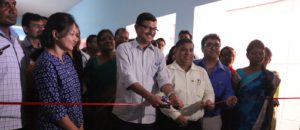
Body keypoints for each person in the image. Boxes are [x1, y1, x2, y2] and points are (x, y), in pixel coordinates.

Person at [113, 12, 183, 130]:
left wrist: (172, 95)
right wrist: (150, 97)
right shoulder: (124, 49)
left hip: (148, 117)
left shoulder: (158, 54)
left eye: (154, 29)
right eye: (147, 27)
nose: (151, 32)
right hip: (125, 116)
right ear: (136, 28)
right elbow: (128, 78)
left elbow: (164, 79)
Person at [33, 12, 83, 130]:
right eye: (72, 34)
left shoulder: (67, 59)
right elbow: (55, 108)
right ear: (55, 34)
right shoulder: (45, 63)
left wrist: (80, 125)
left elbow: (77, 96)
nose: (76, 39)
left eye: (77, 35)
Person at [157, 38, 215, 130]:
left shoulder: (201, 71)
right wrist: (176, 116)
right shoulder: (166, 71)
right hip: (171, 123)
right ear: (176, 51)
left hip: (196, 125)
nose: (188, 53)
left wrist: (208, 101)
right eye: (184, 49)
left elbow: (209, 92)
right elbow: (161, 97)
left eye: (191, 50)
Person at [194, 33, 237, 130]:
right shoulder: (193, 65)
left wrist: (229, 100)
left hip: (213, 118)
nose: (213, 48)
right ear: (202, 49)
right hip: (191, 115)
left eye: (216, 45)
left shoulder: (226, 72)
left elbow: (228, 92)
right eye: (209, 45)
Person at [231, 40, 277, 130]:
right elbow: (232, 96)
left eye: (261, 53)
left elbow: (270, 102)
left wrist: (269, 124)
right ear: (247, 55)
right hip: (239, 119)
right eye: (254, 53)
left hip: (260, 120)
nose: (258, 56)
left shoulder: (270, 76)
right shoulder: (239, 73)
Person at [85, 29, 117, 130]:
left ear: (114, 41)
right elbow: (86, 84)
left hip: (117, 106)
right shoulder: (92, 62)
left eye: (110, 38)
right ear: (98, 44)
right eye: (103, 39)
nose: (108, 41)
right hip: (97, 107)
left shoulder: (121, 60)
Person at [0, 0, 24, 129]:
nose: (13, 10)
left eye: (14, 4)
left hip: (20, 120)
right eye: (5, 4)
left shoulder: (15, 39)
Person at [263, 47, 281, 130]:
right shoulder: (245, 74)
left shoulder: (273, 76)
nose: (262, 60)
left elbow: (274, 95)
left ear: (269, 60)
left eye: (266, 58)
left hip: (267, 113)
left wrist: (274, 100)